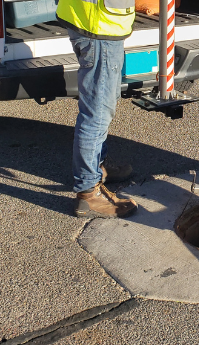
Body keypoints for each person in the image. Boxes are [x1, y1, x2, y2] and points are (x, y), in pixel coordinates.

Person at [56, 0, 139, 218]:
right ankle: (88, 193)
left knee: (102, 108)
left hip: (96, 22)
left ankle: (97, 169)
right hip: (98, 26)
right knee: (97, 114)